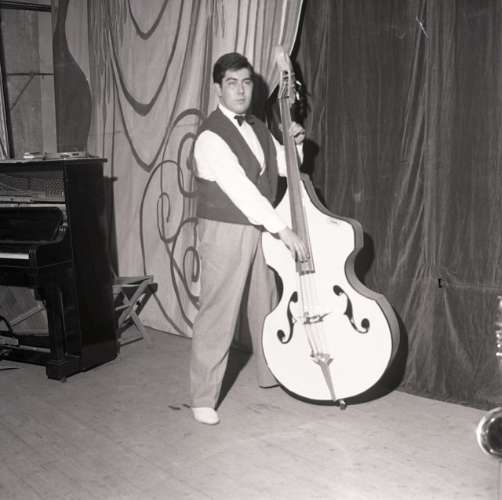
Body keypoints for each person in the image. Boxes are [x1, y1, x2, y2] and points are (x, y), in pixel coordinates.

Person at [190, 52, 308, 425]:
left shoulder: (257, 126)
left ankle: (271, 374)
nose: (240, 91)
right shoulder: (210, 136)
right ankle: (202, 398)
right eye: (232, 83)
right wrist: (282, 229)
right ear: (218, 89)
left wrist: (296, 143)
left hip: (258, 225)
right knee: (219, 312)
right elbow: (242, 190)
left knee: (265, 302)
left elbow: (288, 167)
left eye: (246, 83)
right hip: (226, 227)